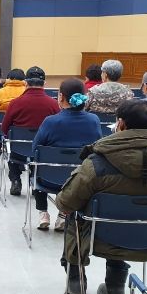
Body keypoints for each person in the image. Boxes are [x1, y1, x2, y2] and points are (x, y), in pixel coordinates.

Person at [57, 99, 147, 294]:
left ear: (121, 123)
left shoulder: (97, 162)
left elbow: (66, 202)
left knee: (77, 216)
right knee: (124, 219)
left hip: (99, 238)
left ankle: (75, 279)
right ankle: (115, 287)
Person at [31, 78, 101, 231]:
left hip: (49, 179)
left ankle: (43, 212)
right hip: (80, 181)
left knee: (36, 167)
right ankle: (63, 214)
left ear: (61, 97)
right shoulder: (94, 120)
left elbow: (35, 149)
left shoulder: (50, 121)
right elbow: (97, 149)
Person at [1, 66, 60, 196]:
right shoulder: (54, 104)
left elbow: (4, 128)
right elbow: (58, 130)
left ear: (26, 83)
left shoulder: (15, 103)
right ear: (44, 83)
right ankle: (36, 181)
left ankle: (15, 179)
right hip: (43, 152)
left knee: (12, 146)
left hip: (19, 151)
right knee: (40, 149)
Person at [0, 69, 26, 170]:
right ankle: (20, 163)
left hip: (1, 129)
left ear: (8, 79)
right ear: (24, 79)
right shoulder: (27, 93)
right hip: (23, 132)